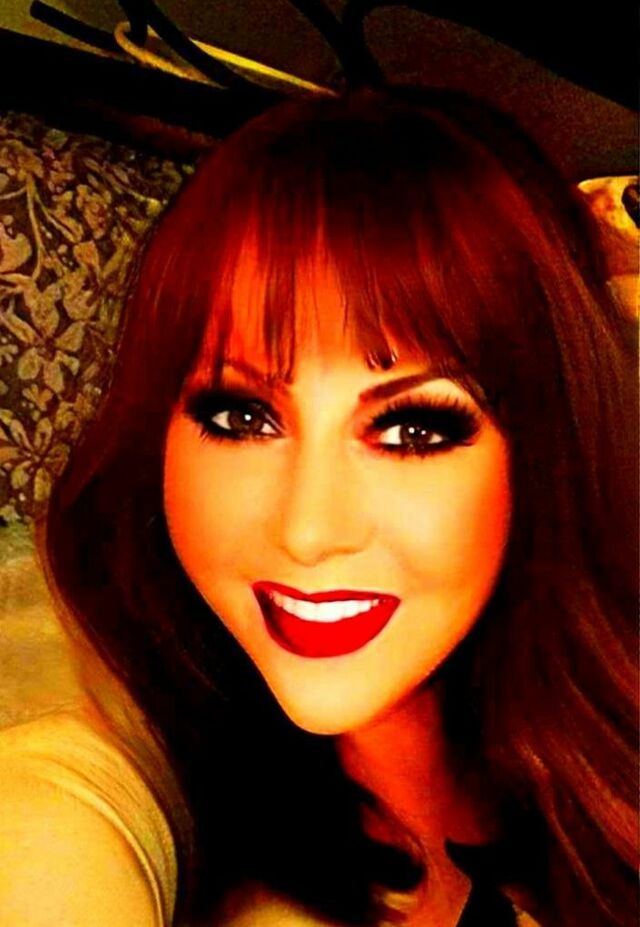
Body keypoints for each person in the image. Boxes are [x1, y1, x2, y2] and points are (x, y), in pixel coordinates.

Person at [0, 86, 636, 927]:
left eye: (412, 429)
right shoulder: (93, 789)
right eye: (242, 417)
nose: (307, 531)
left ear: (548, 449)